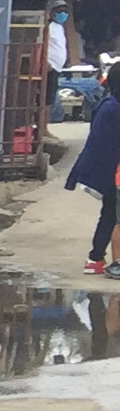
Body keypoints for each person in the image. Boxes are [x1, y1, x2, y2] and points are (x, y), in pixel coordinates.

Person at [67, 79, 120, 274]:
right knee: (113, 217)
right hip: (112, 171)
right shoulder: (114, 109)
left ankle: (96, 259)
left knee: (110, 215)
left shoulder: (107, 105)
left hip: (104, 169)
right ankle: (107, 261)